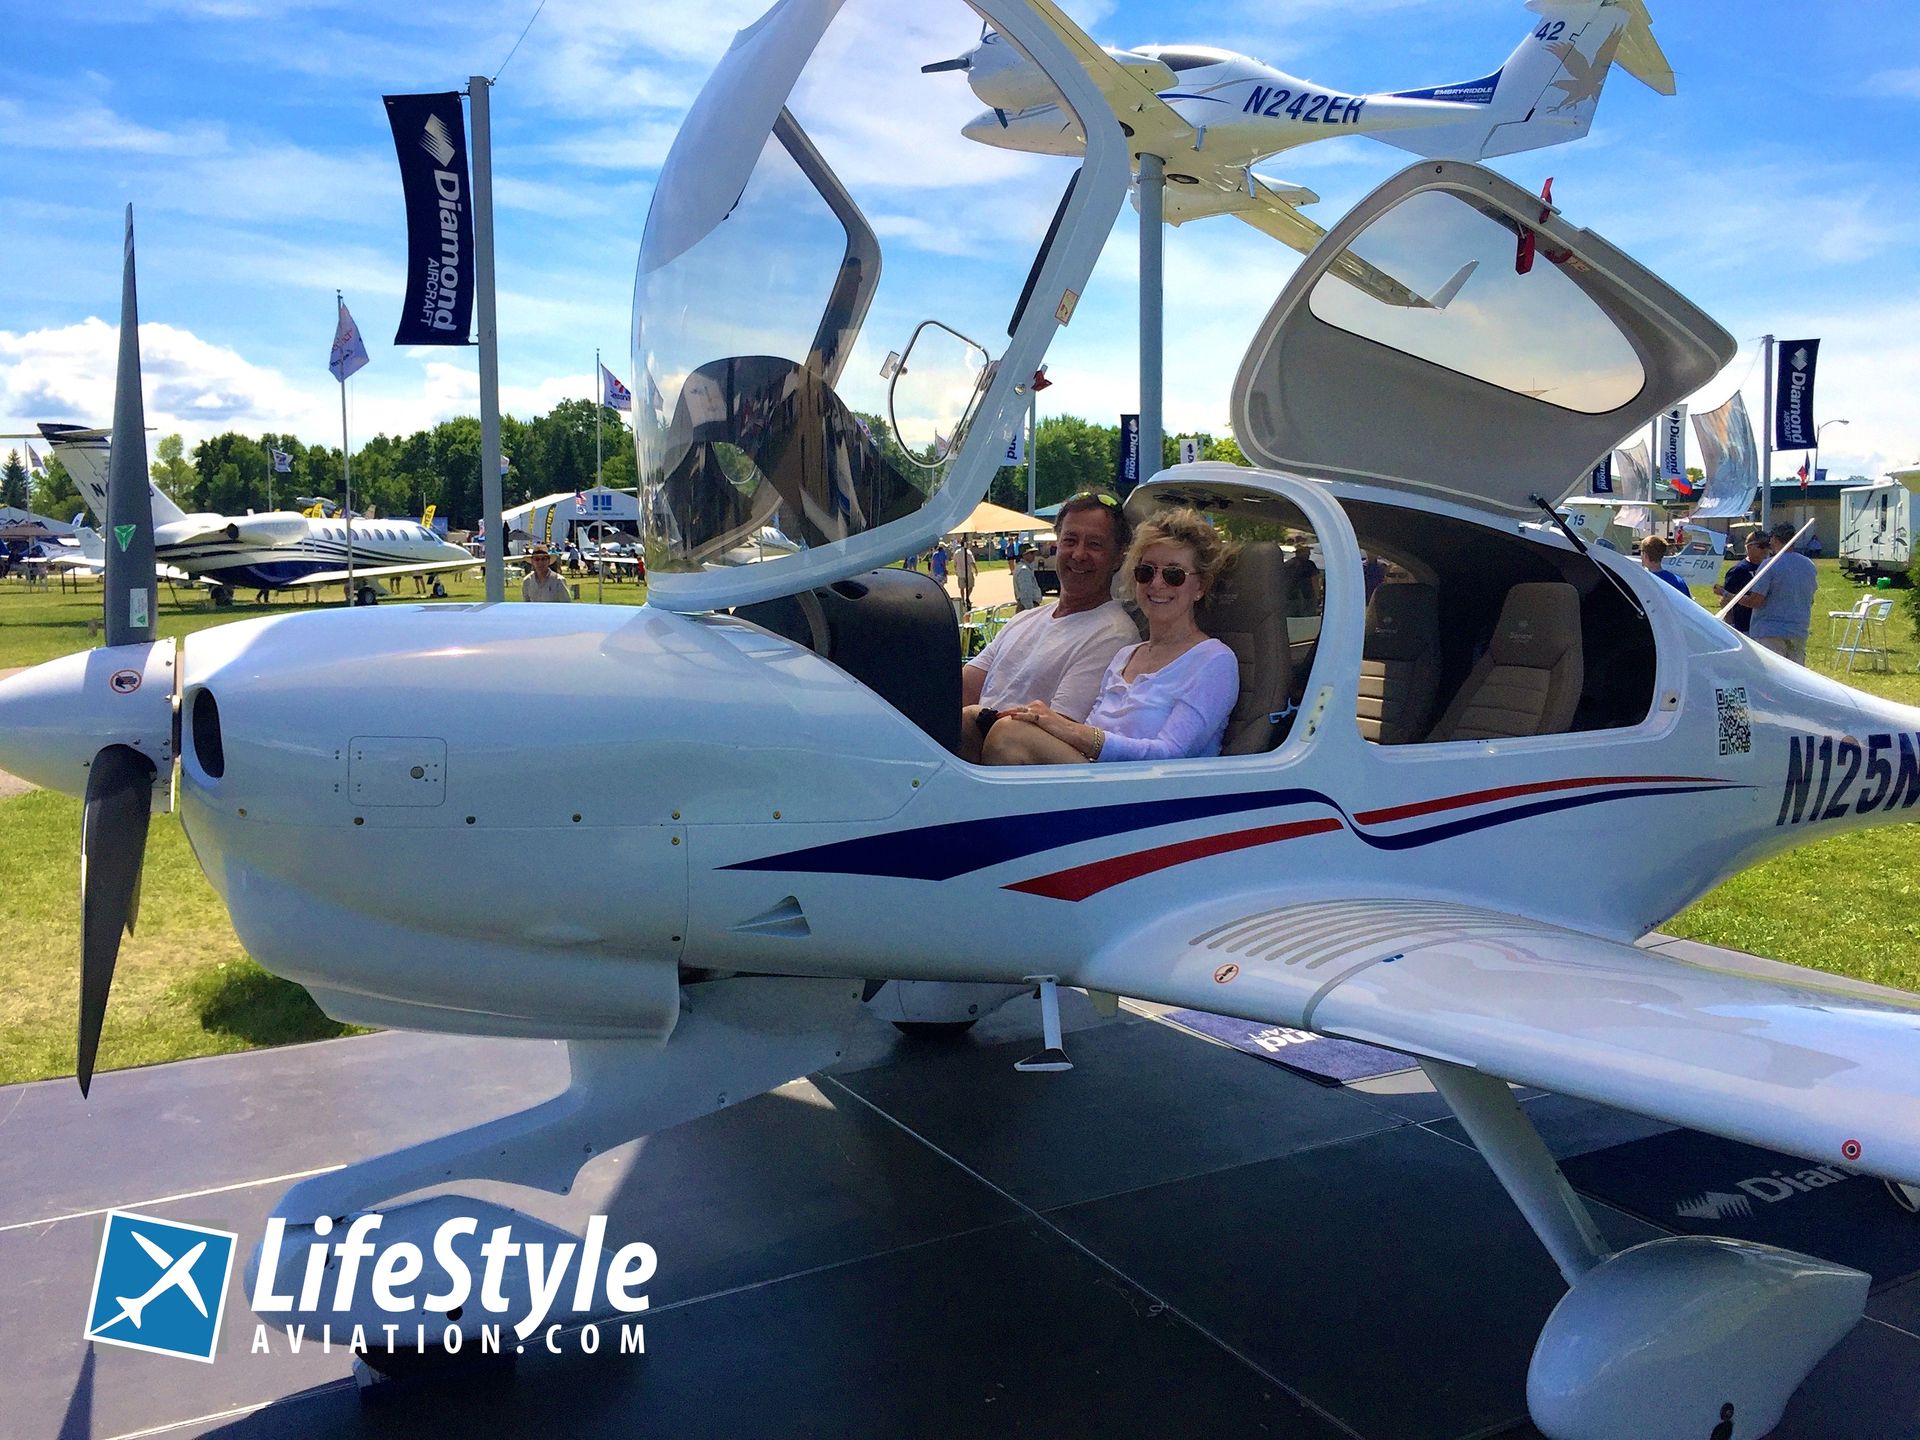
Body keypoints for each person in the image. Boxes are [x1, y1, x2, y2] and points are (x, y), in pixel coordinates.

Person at [984, 507, 1239, 764]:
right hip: (1101, 782)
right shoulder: (1125, 656)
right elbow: (1091, 732)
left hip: (1149, 793)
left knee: (1010, 736)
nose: (1156, 584)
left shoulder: (1214, 661)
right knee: (979, 722)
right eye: (1146, 572)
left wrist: (1068, 729)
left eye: (1174, 575)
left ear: (1200, 587)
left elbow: (1170, 753)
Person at [960, 491, 1137, 764]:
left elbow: (1059, 730)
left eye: (1095, 544)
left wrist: (974, 718)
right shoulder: (1024, 620)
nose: (1079, 554)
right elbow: (960, 690)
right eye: (1070, 541)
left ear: (1117, 558)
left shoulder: (1113, 634)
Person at [1738, 522, 1819, 663]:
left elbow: (1756, 601)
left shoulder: (1769, 564)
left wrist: (1732, 597)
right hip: (1798, 629)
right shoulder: (1808, 565)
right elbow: (1810, 599)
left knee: (1771, 676)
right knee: (1796, 678)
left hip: (1770, 632)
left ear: (1774, 539)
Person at [1713, 533, 1767, 634]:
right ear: (1749, 547)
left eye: (1767, 545)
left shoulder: (1768, 567)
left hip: (1764, 626)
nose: (1765, 550)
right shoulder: (1738, 570)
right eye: (1761, 546)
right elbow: (1725, 600)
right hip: (1744, 626)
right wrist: (1731, 625)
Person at [953, 540, 977, 609]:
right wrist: (975, 569)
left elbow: (955, 563)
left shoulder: (956, 552)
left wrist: (956, 570)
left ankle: (963, 599)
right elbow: (972, 562)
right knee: (971, 586)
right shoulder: (968, 552)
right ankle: (967, 597)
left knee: (962, 588)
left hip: (960, 573)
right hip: (968, 573)